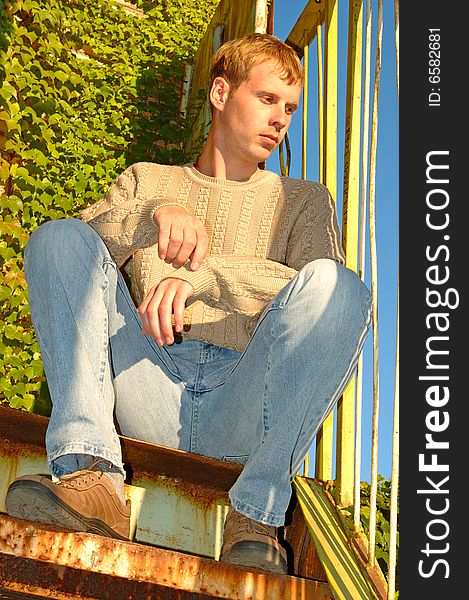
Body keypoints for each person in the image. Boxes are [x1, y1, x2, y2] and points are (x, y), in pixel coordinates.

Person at [6, 33, 371, 575]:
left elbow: (317, 291)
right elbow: (73, 254)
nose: (281, 120)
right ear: (221, 93)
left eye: (290, 108)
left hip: (244, 402)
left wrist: (208, 280)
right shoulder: (147, 179)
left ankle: (255, 514)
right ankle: (91, 473)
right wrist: (150, 216)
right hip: (144, 382)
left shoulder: (303, 201)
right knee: (57, 238)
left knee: (343, 288)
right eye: (267, 99)